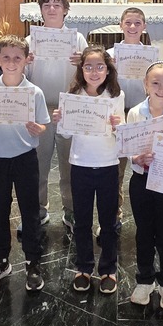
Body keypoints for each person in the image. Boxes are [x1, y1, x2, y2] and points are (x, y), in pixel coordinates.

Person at [0, 35, 51, 292]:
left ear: (27, 61)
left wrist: (37, 128)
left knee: (30, 211)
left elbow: (42, 126)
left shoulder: (34, 92)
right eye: (5, 57)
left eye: (17, 58)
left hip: (25, 159)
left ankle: (32, 260)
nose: (11, 62)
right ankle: (1, 259)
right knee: (0, 210)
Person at [55, 46, 125, 295]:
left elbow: (122, 131)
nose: (94, 72)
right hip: (81, 164)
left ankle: (108, 269)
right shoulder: (72, 94)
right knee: (82, 221)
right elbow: (64, 133)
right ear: (81, 69)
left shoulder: (116, 94)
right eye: (88, 66)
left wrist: (119, 125)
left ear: (108, 70)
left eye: (100, 67)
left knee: (108, 221)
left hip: (108, 164)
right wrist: (61, 119)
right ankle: (83, 267)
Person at [25, 0, 87, 231]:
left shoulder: (77, 39)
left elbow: (91, 73)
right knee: (38, 163)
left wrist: (83, 62)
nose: (52, 9)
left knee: (69, 163)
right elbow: (22, 77)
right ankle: (39, 208)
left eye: (57, 5)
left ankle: (70, 210)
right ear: (40, 10)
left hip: (69, 107)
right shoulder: (30, 41)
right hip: (39, 108)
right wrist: (24, 63)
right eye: (47, 5)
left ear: (65, 10)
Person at [126, 61, 163, 309]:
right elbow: (129, 147)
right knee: (144, 232)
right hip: (141, 180)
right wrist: (136, 158)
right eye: (155, 83)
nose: (161, 88)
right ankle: (145, 278)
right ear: (145, 85)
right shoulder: (135, 112)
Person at [108, 6, 151, 230]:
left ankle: (148, 216)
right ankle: (114, 211)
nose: (132, 27)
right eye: (128, 23)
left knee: (144, 163)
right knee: (117, 166)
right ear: (120, 25)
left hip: (141, 114)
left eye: (137, 23)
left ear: (144, 27)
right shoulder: (110, 54)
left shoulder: (152, 55)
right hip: (117, 114)